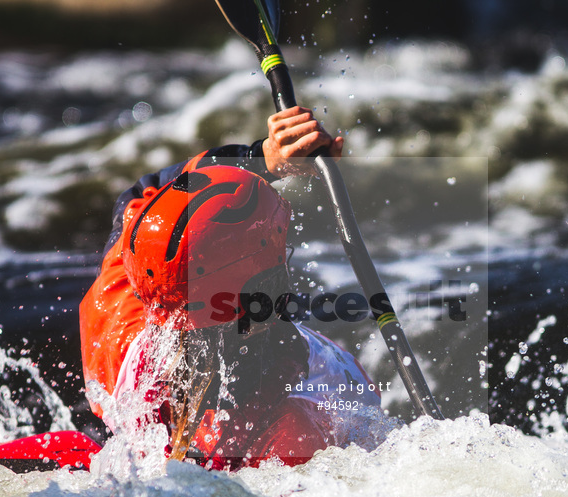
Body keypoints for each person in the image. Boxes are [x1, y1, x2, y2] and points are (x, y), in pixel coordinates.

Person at [78, 106, 381, 470]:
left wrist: (261, 158)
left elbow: (144, 192)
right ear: (271, 294)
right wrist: (263, 160)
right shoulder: (304, 421)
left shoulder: (116, 328)